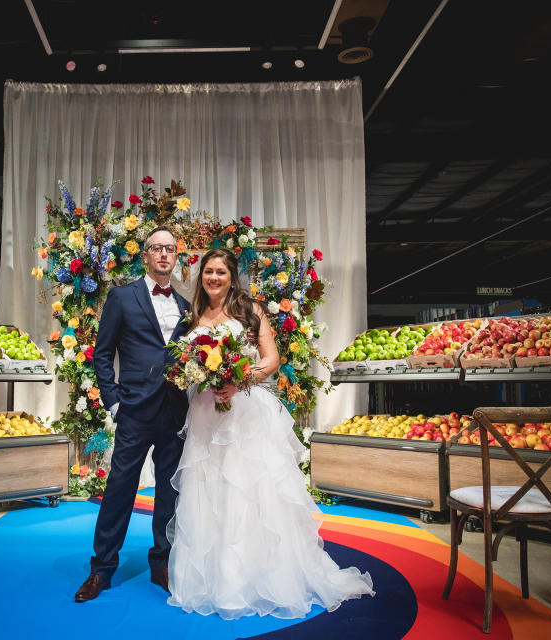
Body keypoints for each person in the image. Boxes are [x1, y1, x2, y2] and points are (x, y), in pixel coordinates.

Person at [166, 248, 375, 620]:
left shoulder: (250, 310)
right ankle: (213, 578)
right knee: (210, 490)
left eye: (221, 272)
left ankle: (253, 576)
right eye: (209, 272)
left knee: (247, 491)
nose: (214, 278)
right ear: (202, 277)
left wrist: (239, 380)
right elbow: (188, 361)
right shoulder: (195, 315)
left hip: (243, 412)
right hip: (204, 414)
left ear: (232, 277)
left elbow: (271, 358)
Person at [74, 225, 191, 603]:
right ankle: (101, 568)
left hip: (175, 411)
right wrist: (113, 401)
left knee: (168, 492)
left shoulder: (187, 307)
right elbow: (102, 353)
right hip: (135, 410)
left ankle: (162, 562)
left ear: (176, 257)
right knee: (120, 487)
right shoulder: (122, 297)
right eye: (156, 248)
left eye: (169, 249)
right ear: (145, 255)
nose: (163, 254)